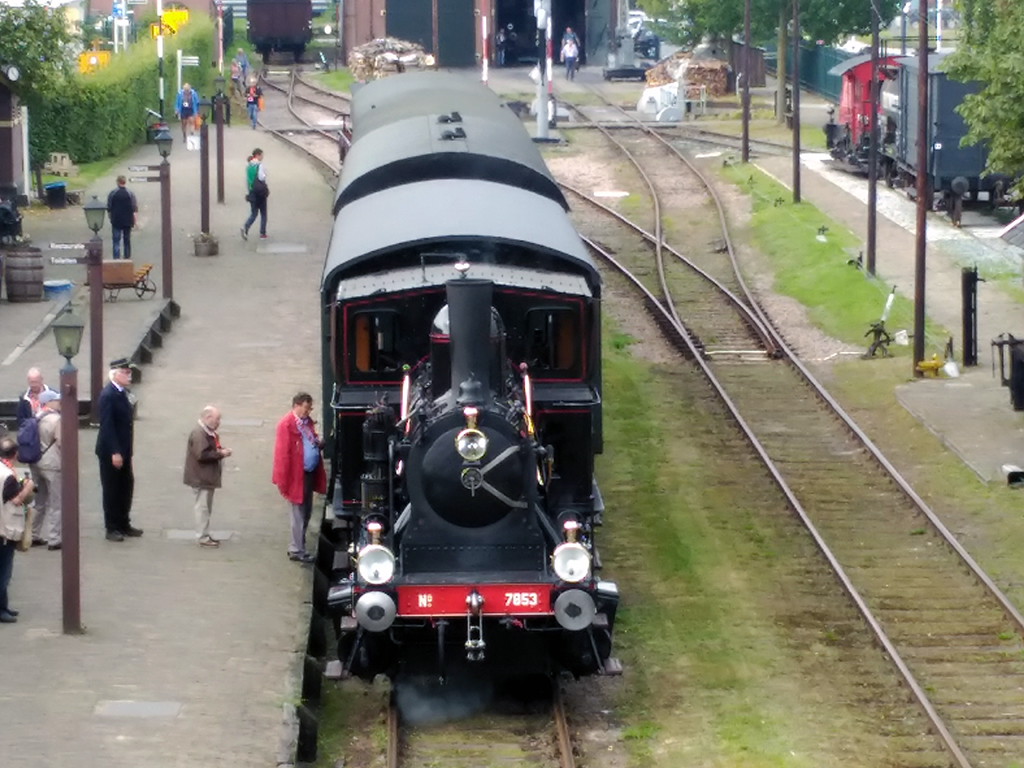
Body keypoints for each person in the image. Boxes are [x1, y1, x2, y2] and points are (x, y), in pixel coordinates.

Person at [272, 392, 326, 563]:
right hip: (297, 475)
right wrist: (282, 479)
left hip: (308, 473)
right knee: (298, 513)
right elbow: (282, 454)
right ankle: (296, 549)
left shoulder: (305, 422)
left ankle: (299, 545)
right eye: (306, 408)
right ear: (297, 405)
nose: (308, 411)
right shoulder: (286, 425)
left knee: (306, 510)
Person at [96, 358, 142, 542]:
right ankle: (112, 527)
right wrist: (115, 451)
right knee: (112, 489)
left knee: (126, 486)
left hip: (124, 449)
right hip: (111, 452)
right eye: (125, 372)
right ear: (115, 374)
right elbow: (107, 426)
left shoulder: (122, 393)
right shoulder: (108, 395)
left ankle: (124, 522)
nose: (129, 375)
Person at [16, 367, 56, 548]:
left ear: (42, 380)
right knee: (43, 496)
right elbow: (20, 423)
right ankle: (43, 536)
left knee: (44, 496)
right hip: (36, 454)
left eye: (36, 382)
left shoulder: (53, 396)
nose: (33, 386)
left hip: (43, 449)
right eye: (31, 383)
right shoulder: (23, 400)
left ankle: (37, 533)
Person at [184, 406, 231, 548]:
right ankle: (202, 536)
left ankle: (204, 534)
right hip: (201, 477)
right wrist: (220, 454)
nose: (219, 422)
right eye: (217, 419)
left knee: (204, 507)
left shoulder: (207, 432)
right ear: (207, 418)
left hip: (204, 477)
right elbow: (201, 455)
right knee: (202, 508)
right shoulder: (199, 434)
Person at [0, 436, 34, 624]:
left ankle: (4, 606)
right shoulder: (8, 476)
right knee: (4, 571)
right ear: (15, 454)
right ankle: (1, 609)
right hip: (4, 528)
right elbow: (15, 499)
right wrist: (27, 487)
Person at [30, 390, 61, 551]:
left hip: (35, 462)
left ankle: (32, 534)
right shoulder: (56, 420)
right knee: (56, 501)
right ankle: (54, 539)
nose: (59, 402)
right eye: (56, 400)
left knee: (38, 501)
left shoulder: (36, 417)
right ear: (48, 402)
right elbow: (62, 442)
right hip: (52, 464)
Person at [106, 176, 138, 261]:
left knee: (116, 240)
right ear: (125, 182)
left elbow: (109, 206)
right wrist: (134, 220)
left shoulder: (113, 193)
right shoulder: (130, 193)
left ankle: (116, 258)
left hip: (116, 220)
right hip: (127, 220)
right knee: (127, 240)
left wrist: (110, 217)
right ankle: (127, 257)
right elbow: (134, 207)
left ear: (117, 182)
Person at [241, 148, 268, 240]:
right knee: (263, 213)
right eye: (261, 155)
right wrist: (265, 175)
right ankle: (262, 234)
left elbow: (249, 180)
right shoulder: (259, 165)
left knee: (254, 213)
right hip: (260, 193)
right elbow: (261, 178)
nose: (262, 157)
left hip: (252, 192)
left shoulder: (249, 167)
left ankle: (246, 227)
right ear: (257, 155)